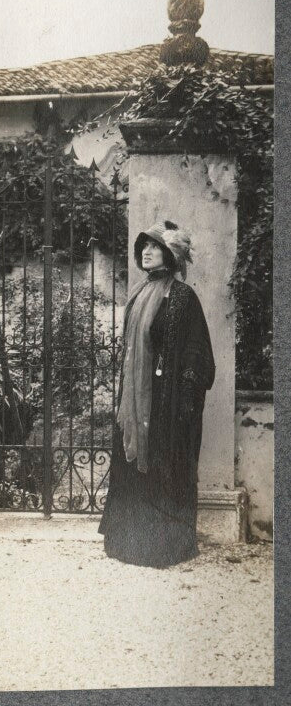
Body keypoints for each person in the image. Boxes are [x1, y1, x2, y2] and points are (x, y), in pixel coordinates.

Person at [98, 220, 215, 568]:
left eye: (154, 247)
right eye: (143, 247)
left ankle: (163, 546)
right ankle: (128, 541)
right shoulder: (137, 294)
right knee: (133, 467)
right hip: (136, 398)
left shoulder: (183, 297)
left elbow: (197, 351)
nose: (146, 252)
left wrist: (187, 397)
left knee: (164, 463)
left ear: (170, 254)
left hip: (167, 400)